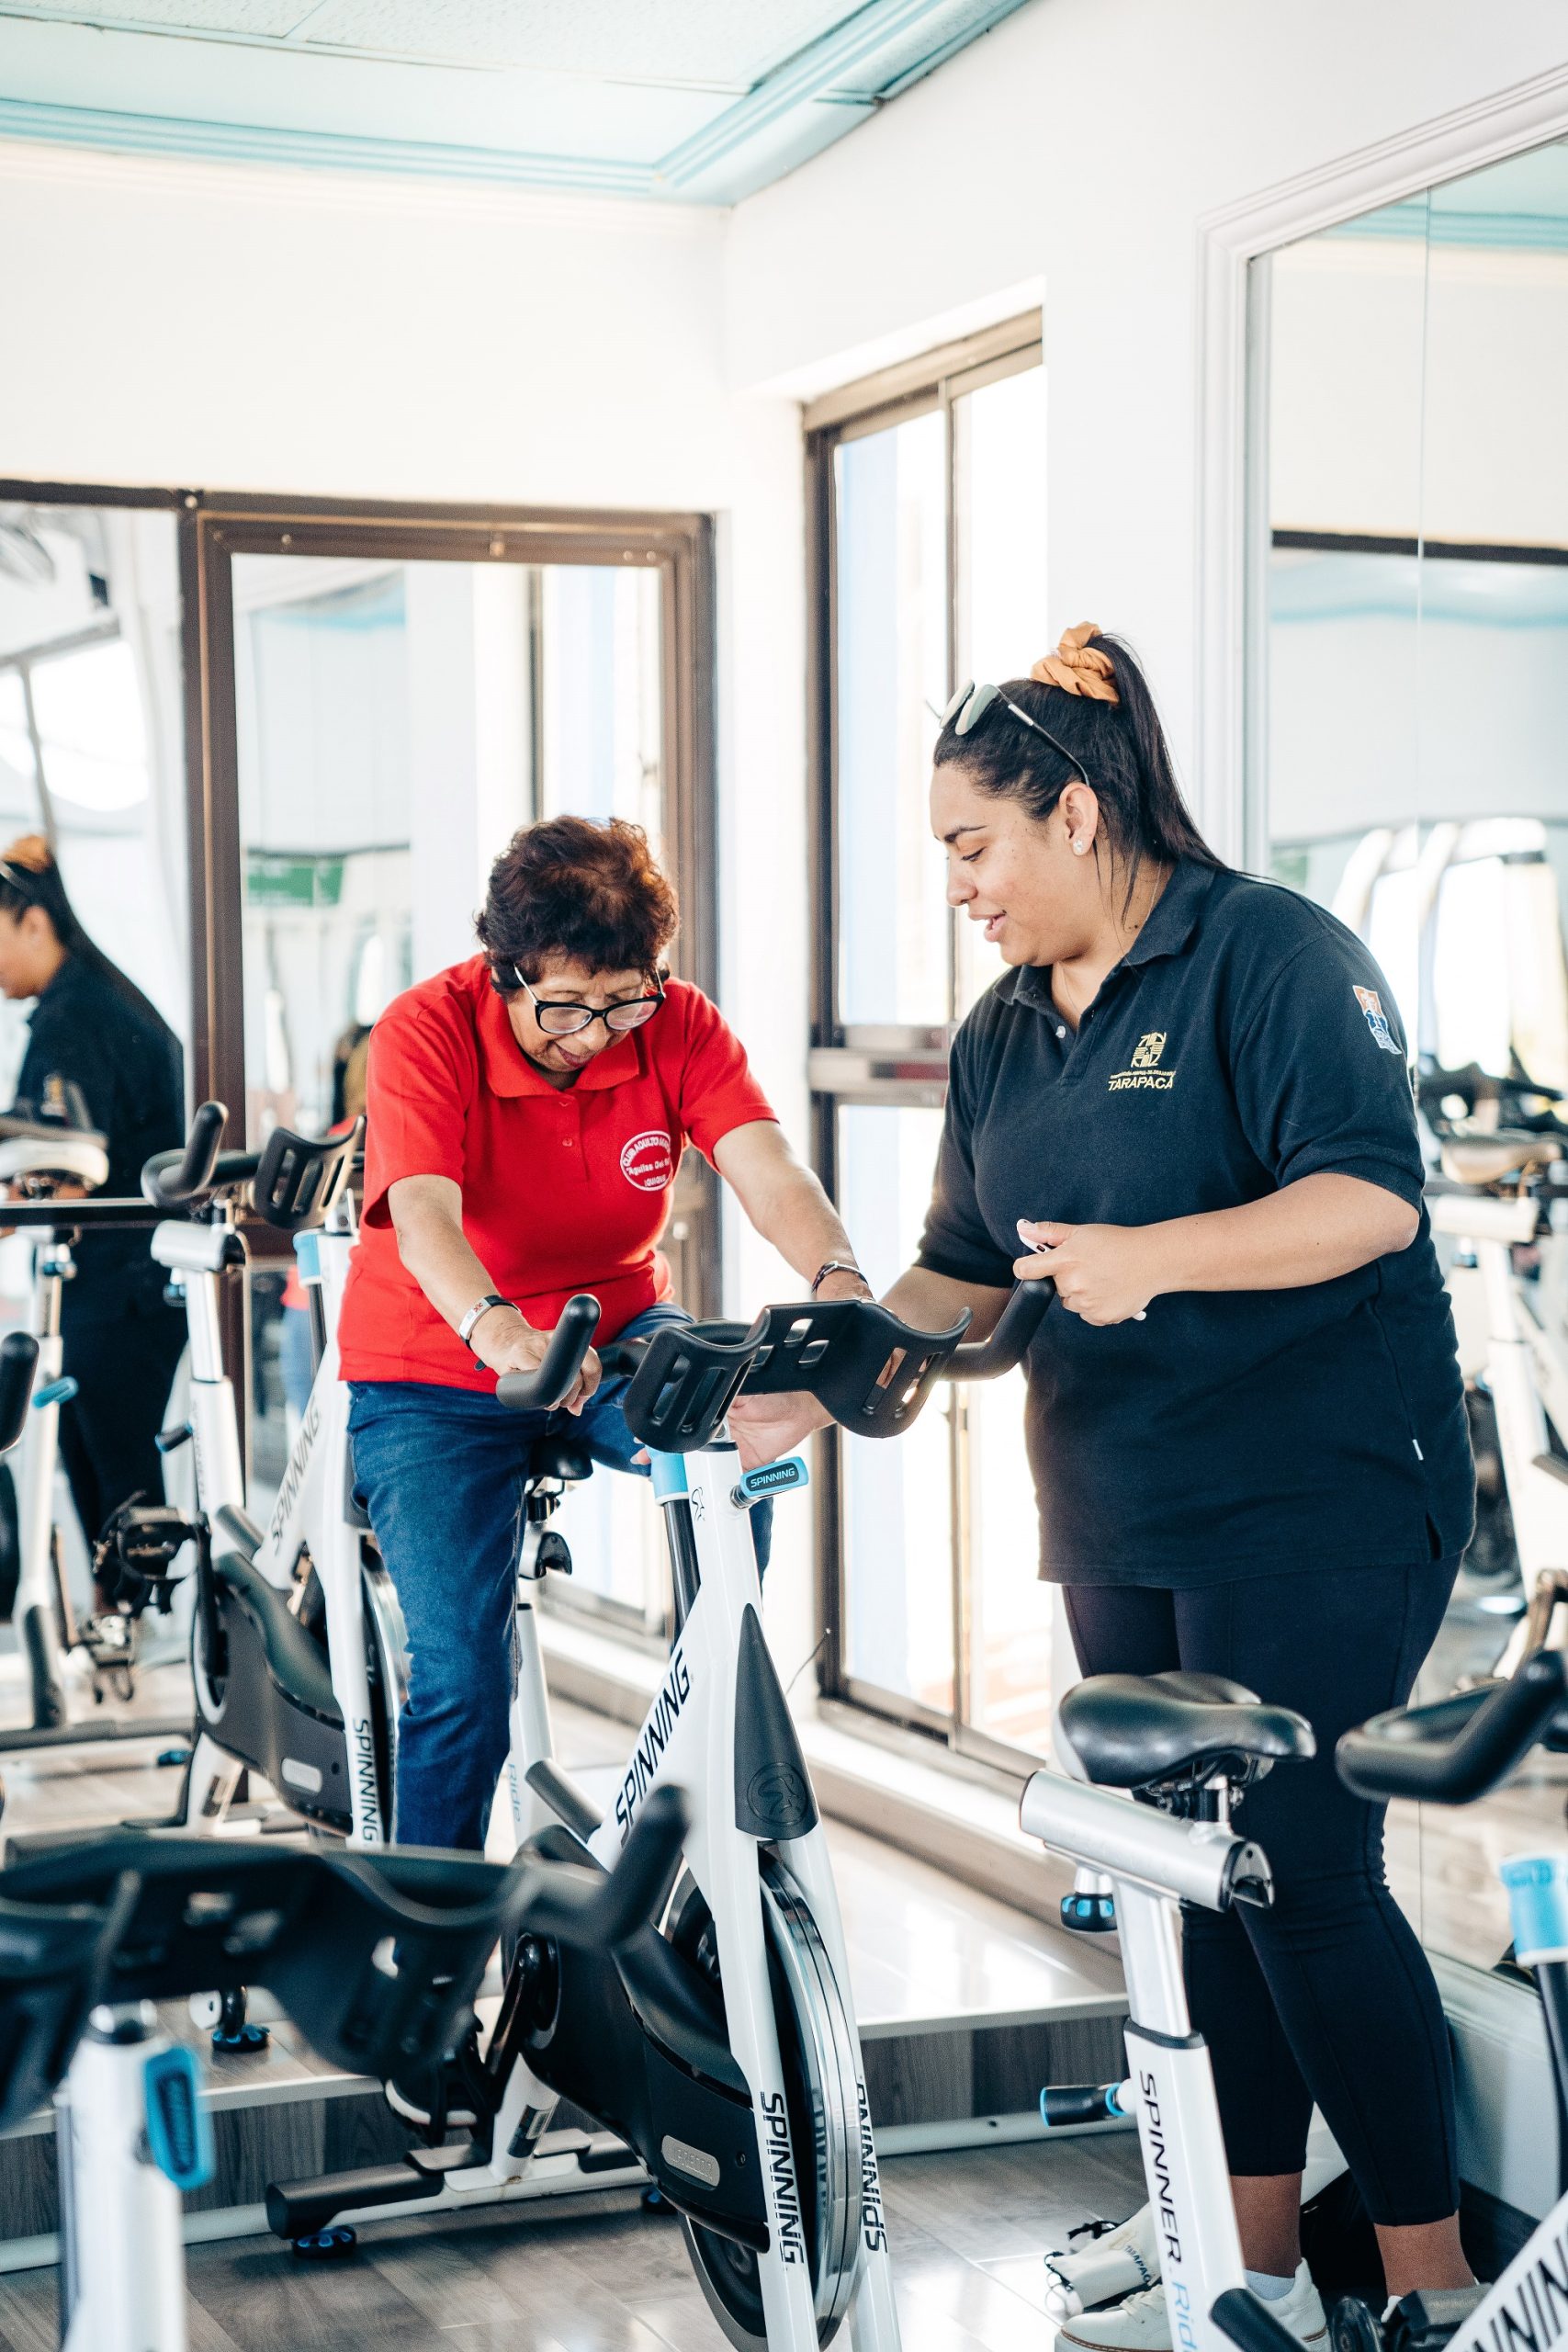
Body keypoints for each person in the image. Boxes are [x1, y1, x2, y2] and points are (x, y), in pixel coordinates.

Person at [733, 628, 1477, 2347]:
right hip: (1120, 1499)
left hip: (1325, 1490)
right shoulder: (1003, 1030)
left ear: (1074, 811)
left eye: (971, 846)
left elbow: (1369, 1199)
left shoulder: (1268, 956)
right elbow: (958, 1271)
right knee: (1183, 1871)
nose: (959, 889)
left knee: (1301, 1865)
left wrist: (1164, 1257)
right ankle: (1257, 2267)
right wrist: (820, 1384)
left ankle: (1435, 2290)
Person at [338, 813, 872, 1862]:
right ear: (504, 970)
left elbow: (768, 1171)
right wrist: (502, 1331)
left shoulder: (677, 1023)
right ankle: (420, 1957)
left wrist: (838, 1280)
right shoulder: (425, 1029)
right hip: (438, 1368)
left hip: (618, 1326)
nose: (595, 1035)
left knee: (727, 1443)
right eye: (566, 1007)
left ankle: (714, 1770)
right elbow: (428, 1219)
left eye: (625, 1000)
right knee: (462, 1680)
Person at [0, 835, 186, 1606]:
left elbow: (61, 1164)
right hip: (127, 1283)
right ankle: (122, 1634)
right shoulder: (94, 999)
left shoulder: (79, 1014)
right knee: (92, 1460)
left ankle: (131, 1635)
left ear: (34, 924)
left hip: (127, 1285)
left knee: (114, 1474)